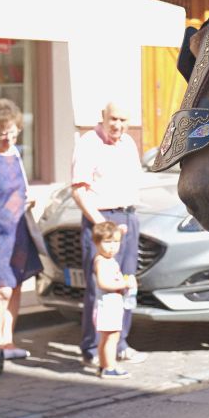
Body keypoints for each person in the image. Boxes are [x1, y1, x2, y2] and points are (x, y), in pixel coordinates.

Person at [71, 103, 147, 367]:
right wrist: (104, 226)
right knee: (99, 287)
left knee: (126, 282)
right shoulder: (89, 143)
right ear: (102, 118)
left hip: (128, 217)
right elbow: (79, 191)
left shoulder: (127, 144)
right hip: (103, 220)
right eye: (113, 119)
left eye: (123, 120)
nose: (118, 125)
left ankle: (120, 342)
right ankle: (92, 347)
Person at [0, 99, 42, 360]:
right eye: (4, 134)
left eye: (13, 132)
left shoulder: (15, 154)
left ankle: (8, 341)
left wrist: (30, 198)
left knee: (15, 286)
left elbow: (19, 187)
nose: (9, 139)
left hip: (18, 230)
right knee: (1, 288)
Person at [90, 221, 136, 379]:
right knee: (111, 337)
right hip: (107, 305)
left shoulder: (108, 260)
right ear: (97, 242)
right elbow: (103, 283)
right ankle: (110, 367)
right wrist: (124, 283)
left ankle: (103, 366)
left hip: (112, 304)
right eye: (107, 242)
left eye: (116, 242)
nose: (112, 247)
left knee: (108, 337)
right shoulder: (101, 261)